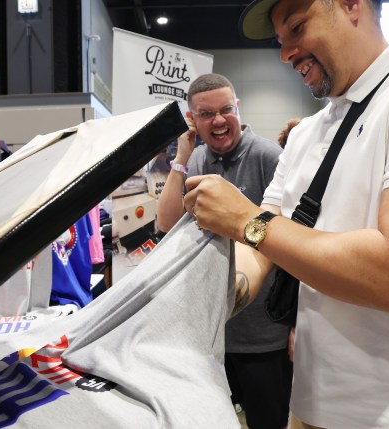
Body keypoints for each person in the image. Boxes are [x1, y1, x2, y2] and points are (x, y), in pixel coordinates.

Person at [183, 1, 389, 428]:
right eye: (281, 40)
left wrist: (248, 221)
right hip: (311, 408)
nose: (286, 54)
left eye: (298, 27)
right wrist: (193, 306)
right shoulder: (306, 135)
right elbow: (259, 253)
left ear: (351, 5)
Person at [156, 73, 292, 429]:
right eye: (205, 114)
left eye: (225, 110)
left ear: (237, 108)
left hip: (264, 337)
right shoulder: (197, 161)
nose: (218, 120)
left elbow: (296, 242)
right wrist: (182, 154)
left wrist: (297, 326)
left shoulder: (268, 157)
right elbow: (166, 223)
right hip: (211, 338)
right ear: (193, 120)